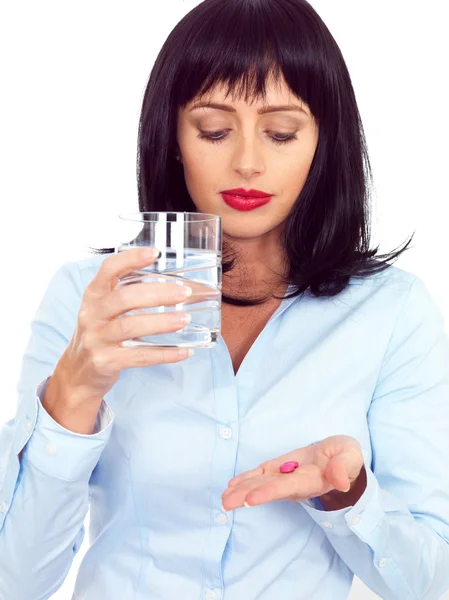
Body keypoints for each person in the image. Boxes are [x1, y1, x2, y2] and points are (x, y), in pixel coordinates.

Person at [1, 0, 449, 598]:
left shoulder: (392, 313)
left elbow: (432, 582)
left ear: (322, 143)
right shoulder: (92, 299)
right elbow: (17, 580)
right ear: (173, 137)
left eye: (281, 132)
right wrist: (72, 394)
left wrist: (349, 498)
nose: (246, 162)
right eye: (214, 129)